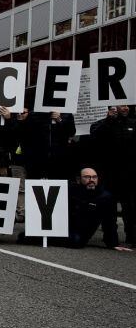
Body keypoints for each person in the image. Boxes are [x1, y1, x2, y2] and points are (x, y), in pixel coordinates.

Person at [92, 105, 135, 247]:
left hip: (129, 174)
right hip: (109, 174)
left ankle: (132, 237)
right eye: (122, 105)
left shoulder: (132, 124)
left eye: (127, 105)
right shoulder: (101, 124)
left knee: (130, 208)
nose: (125, 108)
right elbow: (96, 138)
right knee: (109, 207)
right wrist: (109, 120)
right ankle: (111, 238)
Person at [63, 167, 131, 251]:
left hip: (79, 235)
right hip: (64, 228)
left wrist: (113, 243)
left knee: (77, 241)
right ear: (78, 179)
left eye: (94, 177)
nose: (91, 180)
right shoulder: (69, 191)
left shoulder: (105, 197)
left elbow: (110, 221)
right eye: (87, 177)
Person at [17, 110, 75, 180]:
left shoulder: (67, 114)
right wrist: (21, 121)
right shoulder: (34, 114)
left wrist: (59, 120)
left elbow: (71, 132)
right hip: (37, 160)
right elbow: (25, 134)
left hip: (59, 159)